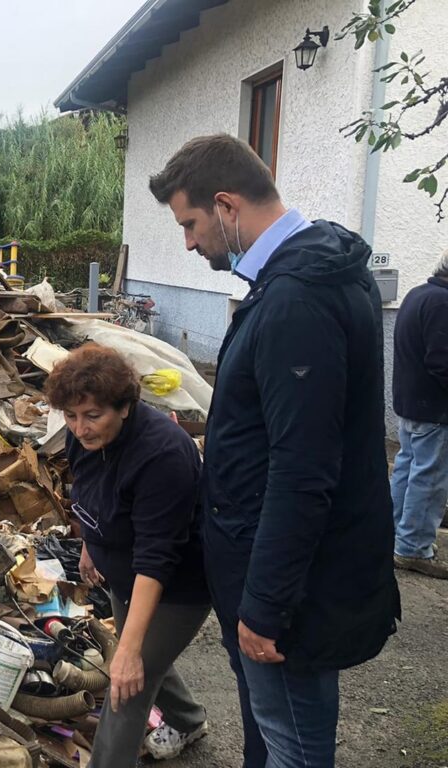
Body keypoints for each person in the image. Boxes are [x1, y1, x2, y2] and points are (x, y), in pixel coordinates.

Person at [149, 134, 400, 768]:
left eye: (190, 223)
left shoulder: (298, 299)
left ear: (227, 205)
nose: (187, 242)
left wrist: (264, 607)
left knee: (293, 744)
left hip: (289, 591)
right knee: (277, 733)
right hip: (287, 572)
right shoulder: (309, 275)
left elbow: (303, 468)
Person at [44, 344, 212, 767]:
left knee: (127, 683)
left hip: (177, 584)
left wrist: (131, 651)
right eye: (70, 416)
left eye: (92, 416)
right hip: (120, 569)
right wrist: (90, 544)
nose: (79, 429)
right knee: (136, 656)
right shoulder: (85, 434)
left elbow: (157, 558)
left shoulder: (164, 455)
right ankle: (189, 720)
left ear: (124, 406)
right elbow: (90, 491)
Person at [390, 248, 448, 578]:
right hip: (434, 408)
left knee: (407, 469)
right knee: (429, 478)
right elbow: (442, 362)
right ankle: (413, 548)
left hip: (411, 402)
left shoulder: (418, 294)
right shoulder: (442, 304)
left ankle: (394, 534)